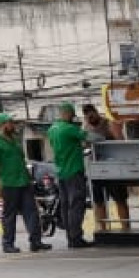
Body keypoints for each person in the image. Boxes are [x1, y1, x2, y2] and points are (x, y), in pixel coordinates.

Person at [0, 112, 50, 254]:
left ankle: (36, 242)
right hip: (8, 183)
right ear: (2, 125)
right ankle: (8, 244)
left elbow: (21, 160)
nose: (12, 125)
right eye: (9, 122)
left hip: (24, 182)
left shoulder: (15, 140)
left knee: (32, 212)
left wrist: (29, 178)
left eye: (12, 122)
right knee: (9, 215)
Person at [48, 103, 93, 248]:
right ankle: (76, 238)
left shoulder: (52, 129)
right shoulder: (69, 129)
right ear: (67, 114)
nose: (73, 118)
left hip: (61, 172)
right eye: (72, 115)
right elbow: (92, 137)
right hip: (73, 171)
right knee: (76, 205)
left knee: (66, 206)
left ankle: (70, 238)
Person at [84, 102, 131, 230]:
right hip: (96, 169)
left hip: (113, 168)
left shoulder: (108, 123)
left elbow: (120, 141)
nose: (90, 118)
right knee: (98, 202)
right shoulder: (86, 128)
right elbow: (84, 145)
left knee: (120, 200)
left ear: (96, 112)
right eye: (87, 116)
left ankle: (126, 228)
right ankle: (102, 229)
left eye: (91, 115)